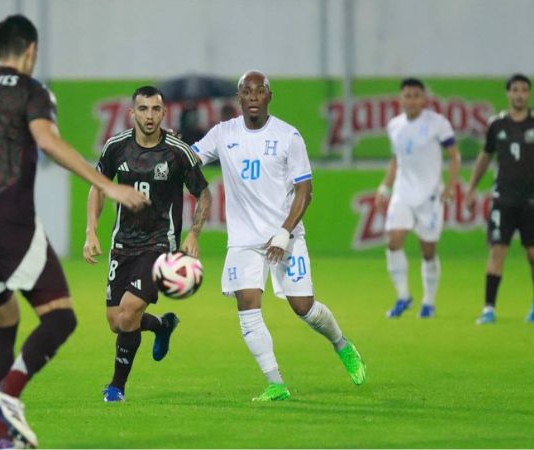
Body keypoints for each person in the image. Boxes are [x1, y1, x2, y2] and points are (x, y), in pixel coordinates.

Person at [0, 15, 148, 449]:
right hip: (10, 223)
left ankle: (6, 439)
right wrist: (107, 185)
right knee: (60, 317)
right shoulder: (30, 91)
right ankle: (8, 391)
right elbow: (49, 143)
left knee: (3, 324)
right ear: (32, 51)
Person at [190, 71, 366, 401]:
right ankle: (276, 384)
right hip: (244, 240)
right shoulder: (223, 133)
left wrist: (285, 233)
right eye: (247, 91)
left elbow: (305, 191)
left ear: (270, 96)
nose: (253, 96)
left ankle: (342, 345)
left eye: (260, 91)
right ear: (238, 98)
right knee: (247, 302)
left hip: (285, 236)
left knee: (304, 307)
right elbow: (188, 158)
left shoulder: (288, 136)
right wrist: (170, 146)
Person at [83, 86, 212, 402]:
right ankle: (160, 326)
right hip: (122, 243)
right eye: (143, 109)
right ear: (132, 113)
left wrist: (193, 233)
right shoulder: (116, 148)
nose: (150, 116)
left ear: (164, 113)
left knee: (128, 314)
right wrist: (91, 231)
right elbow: (98, 187)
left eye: (156, 109)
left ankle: (116, 387)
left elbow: (204, 193)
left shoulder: (177, 152)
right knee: (117, 322)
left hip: (159, 246)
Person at [375, 78, 461, 319]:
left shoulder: (438, 124)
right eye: (407, 95)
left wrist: (450, 187)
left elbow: (455, 157)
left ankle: (429, 302)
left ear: (424, 99)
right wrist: (384, 187)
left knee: (428, 251)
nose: (411, 99)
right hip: (403, 192)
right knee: (393, 241)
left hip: (430, 195)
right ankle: (403, 296)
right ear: (400, 99)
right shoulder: (394, 126)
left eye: (416, 95)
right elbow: (396, 160)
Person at [467, 74, 534, 325]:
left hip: (531, 200)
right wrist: (472, 187)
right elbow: (485, 157)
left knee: (533, 254)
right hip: (503, 199)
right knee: (497, 250)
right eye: (515, 89)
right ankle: (488, 308)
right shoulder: (497, 125)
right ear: (508, 94)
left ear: (528, 94)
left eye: (524, 90)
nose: (519, 94)